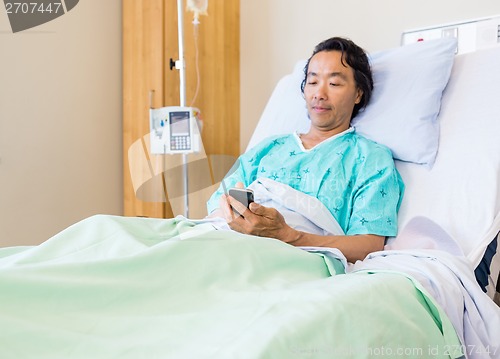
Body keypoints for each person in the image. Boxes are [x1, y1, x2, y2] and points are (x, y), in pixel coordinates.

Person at [206, 37, 404, 263]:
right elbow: (218, 205)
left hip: (292, 260)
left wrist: (289, 236)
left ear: (358, 94)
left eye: (334, 83)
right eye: (312, 82)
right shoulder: (269, 148)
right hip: (229, 243)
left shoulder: (370, 158)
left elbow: (368, 245)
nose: (319, 94)